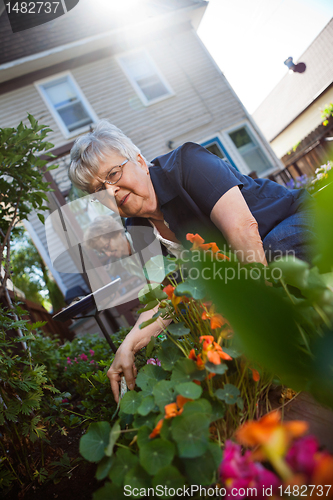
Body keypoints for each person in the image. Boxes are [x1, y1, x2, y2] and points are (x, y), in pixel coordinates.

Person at [68, 120, 315, 401]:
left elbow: (243, 229)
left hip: (292, 224)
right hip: (244, 276)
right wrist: (129, 343)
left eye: (113, 173)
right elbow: (167, 295)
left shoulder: (186, 163)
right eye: (98, 192)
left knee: (273, 251)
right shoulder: (137, 230)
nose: (110, 191)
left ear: (139, 160)